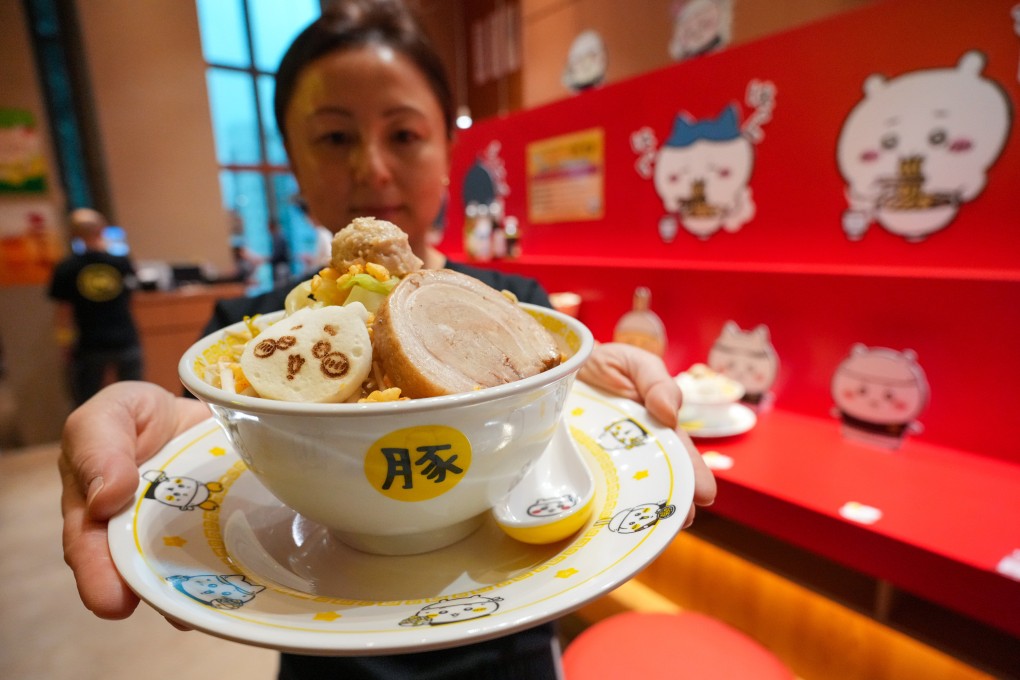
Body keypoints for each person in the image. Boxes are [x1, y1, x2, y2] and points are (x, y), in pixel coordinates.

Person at [58, 2, 717, 678]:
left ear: (446, 152)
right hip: (324, 643)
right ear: (292, 159)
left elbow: (568, 410)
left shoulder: (515, 309)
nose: (372, 167)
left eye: (403, 135)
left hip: (509, 647)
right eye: (335, 138)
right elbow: (202, 438)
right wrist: (168, 426)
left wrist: (627, 413)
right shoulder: (250, 330)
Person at [48, 207, 143, 406]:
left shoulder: (67, 268)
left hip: (89, 344)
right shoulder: (121, 262)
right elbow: (131, 299)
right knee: (136, 398)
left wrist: (64, 342)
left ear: (73, 234)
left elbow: (64, 312)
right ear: (102, 229)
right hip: (125, 338)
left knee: (88, 403)